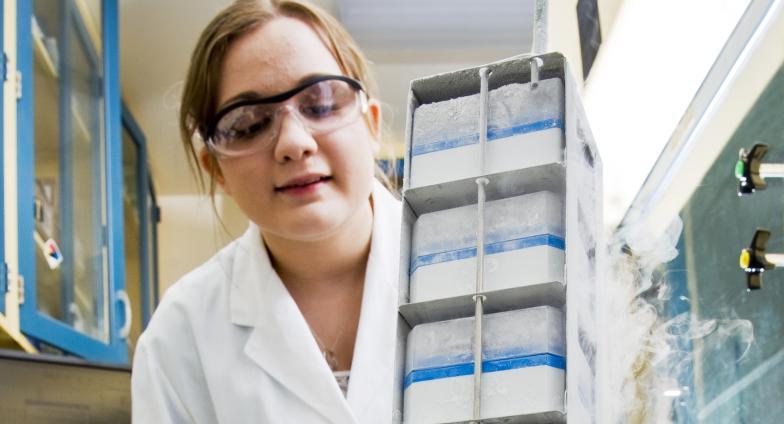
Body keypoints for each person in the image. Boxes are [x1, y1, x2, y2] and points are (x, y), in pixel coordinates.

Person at [131, 1, 401, 422]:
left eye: (321, 102)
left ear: (371, 124)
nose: (294, 143)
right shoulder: (182, 335)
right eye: (249, 123)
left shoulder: (478, 268)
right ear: (216, 168)